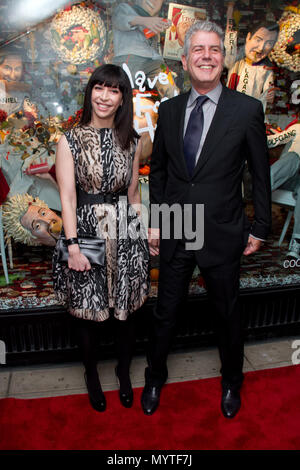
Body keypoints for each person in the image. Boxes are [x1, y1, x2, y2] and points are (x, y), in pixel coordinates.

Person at [141, 21, 271, 419]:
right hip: (178, 224)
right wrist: (158, 221)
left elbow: (259, 175)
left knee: (226, 312)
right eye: (198, 50)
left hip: (222, 229)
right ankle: (155, 376)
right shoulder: (169, 109)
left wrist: (261, 227)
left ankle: (232, 381)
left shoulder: (247, 110)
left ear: (223, 58)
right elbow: (160, 171)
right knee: (165, 310)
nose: (207, 56)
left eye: (214, 50)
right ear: (185, 60)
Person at [52, 64, 150, 412]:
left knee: (125, 315)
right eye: (99, 88)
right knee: (87, 313)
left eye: (114, 90)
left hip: (123, 230)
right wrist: (73, 247)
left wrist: (142, 236)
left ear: (123, 98)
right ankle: (91, 375)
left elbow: (134, 194)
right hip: (85, 230)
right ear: (90, 91)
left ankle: (124, 374)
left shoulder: (133, 141)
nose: (105, 97)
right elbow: (67, 198)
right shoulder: (70, 139)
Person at [225, 2, 279, 113]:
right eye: (258, 40)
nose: (261, 48)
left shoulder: (266, 70)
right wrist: (230, 9)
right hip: (231, 113)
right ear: (248, 37)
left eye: (269, 43)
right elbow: (230, 35)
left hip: (251, 116)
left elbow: (269, 93)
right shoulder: (235, 62)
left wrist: (270, 95)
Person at [269, 122, 300, 258]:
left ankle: (296, 243)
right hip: (286, 176)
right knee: (294, 156)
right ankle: (265, 185)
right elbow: (274, 141)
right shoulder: (297, 128)